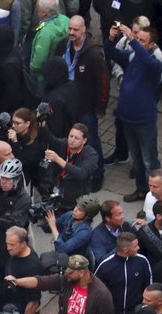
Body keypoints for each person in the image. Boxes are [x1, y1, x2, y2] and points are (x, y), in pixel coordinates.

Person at [105, 23, 162, 203]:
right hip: (127, 118)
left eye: (142, 41)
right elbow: (112, 54)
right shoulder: (132, 57)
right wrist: (110, 38)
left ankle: (155, 198)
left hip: (144, 120)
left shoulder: (154, 64)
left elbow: (146, 60)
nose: (137, 43)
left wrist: (131, 38)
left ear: (151, 45)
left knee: (149, 161)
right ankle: (141, 190)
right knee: (137, 160)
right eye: (137, 39)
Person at [53, 17, 108, 190]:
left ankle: (98, 173)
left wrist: (100, 108)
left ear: (84, 29)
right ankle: (73, 168)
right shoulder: (63, 45)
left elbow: (103, 83)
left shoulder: (93, 54)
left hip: (85, 107)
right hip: (67, 104)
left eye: (75, 30)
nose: (71, 32)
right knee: (71, 139)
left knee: (91, 139)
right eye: (70, 28)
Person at [93, 233, 153, 314]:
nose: (138, 248)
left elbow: (149, 286)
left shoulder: (142, 261)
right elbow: (96, 289)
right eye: (135, 246)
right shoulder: (105, 265)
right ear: (125, 249)